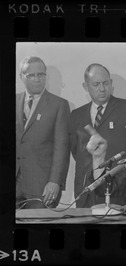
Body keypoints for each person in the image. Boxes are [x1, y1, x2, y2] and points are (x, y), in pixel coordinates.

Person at [70, 63, 126, 207]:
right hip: (85, 192)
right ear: (85, 86)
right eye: (96, 84)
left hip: (118, 190)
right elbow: (76, 152)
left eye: (106, 83)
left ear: (111, 83)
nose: (102, 89)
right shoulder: (76, 115)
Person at [16, 56, 70, 209]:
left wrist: (54, 181)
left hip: (42, 186)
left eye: (41, 74)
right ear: (22, 77)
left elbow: (62, 148)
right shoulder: (13, 101)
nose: (37, 79)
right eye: (31, 75)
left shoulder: (59, 105)